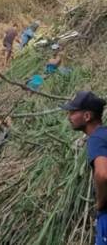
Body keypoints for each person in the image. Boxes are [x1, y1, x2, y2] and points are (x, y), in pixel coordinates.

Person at [61, 91, 107, 245]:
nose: (69, 117)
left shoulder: (96, 139)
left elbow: (102, 174)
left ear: (87, 116)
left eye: (73, 112)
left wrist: (101, 203)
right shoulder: (105, 134)